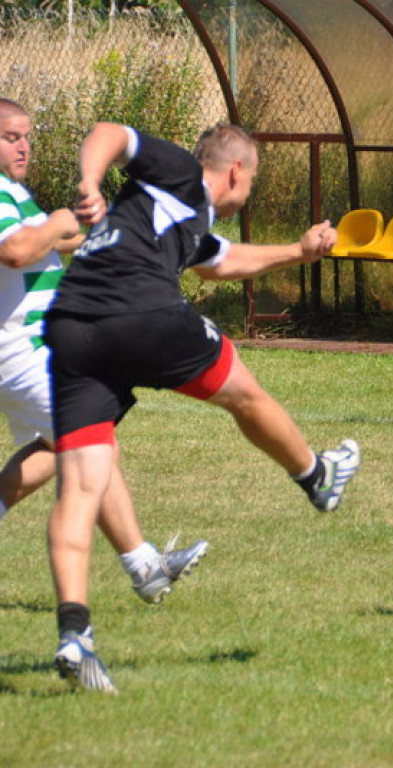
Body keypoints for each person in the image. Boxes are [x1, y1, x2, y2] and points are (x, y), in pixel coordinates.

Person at [45, 121, 361, 693]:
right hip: (142, 312)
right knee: (244, 392)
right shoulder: (181, 172)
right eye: (253, 179)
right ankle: (317, 475)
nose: (250, 190)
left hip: (73, 328)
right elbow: (109, 133)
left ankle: (75, 634)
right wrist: (90, 180)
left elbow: (220, 262)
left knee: (80, 487)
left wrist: (299, 251)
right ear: (236, 170)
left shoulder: (188, 220)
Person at [0, 98, 206, 605]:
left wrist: (76, 226)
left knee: (55, 450)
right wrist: (57, 221)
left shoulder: (14, 194)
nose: (24, 146)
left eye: (27, 136)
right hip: (20, 348)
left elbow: (44, 240)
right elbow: (16, 250)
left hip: (30, 348)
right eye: (11, 137)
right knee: (93, 441)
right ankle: (145, 566)